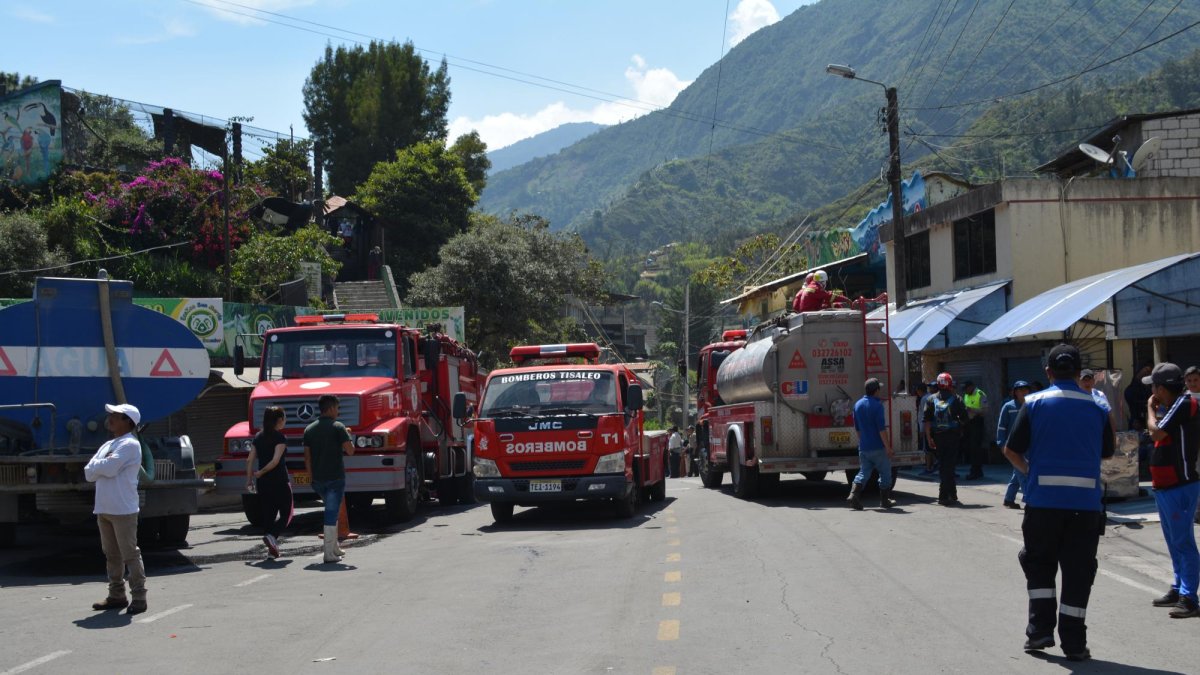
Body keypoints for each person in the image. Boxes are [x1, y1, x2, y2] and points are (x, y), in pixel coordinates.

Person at [1002, 344, 1114, 662]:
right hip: (1085, 507)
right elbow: (1107, 451)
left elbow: (1011, 449)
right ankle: (1075, 644)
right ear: (1080, 374)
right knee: (1078, 573)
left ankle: (1039, 632)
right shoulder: (1097, 407)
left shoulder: (1034, 403)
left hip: (1043, 504)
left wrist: (1031, 472)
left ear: (1048, 372)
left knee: (1039, 567)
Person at [1143, 363, 1200, 618]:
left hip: (1180, 484)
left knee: (1183, 541)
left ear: (1161, 387)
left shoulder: (1184, 404)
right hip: (1166, 485)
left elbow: (1155, 433)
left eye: (1153, 386)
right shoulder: (1175, 406)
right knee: (1173, 540)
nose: (1152, 391)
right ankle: (1179, 588)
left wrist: (1149, 409)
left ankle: (1189, 597)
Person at [84, 403, 148, 615]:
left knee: (130, 553)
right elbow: (88, 472)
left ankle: (139, 597)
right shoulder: (108, 445)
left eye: (116, 415)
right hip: (104, 508)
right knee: (111, 554)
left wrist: (99, 466)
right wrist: (100, 466)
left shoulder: (130, 444)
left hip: (123, 510)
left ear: (128, 421)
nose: (110, 418)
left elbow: (109, 469)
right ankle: (117, 595)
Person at [303, 394, 355, 563]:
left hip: (317, 480)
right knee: (331, 513)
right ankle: (328, 553)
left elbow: (307, 458)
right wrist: (348, 435)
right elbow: (350, 451)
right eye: (337, 408)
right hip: (335, 478)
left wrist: (311, 477)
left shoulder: (309, 429)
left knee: (332, 509)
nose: (338, 412)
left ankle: (334, 548)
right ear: (331, 408)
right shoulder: (338, 427)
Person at [246, 405, 292, 559]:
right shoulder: (280, 438)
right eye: (284, 418)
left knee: (269, 515)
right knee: (287, 513)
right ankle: (272, 536)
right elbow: (275, 461)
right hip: (279, 480)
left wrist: (250, 479)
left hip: (263, 483)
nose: (285, 421)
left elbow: (249, 460)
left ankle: (272, 549)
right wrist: (261, 472)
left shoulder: (258, 437)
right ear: (279, 420)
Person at [849, 378, 894, 510]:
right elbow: (881, 429)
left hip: (864, 447)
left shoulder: (857, 405)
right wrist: (888, 448)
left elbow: (857, 429)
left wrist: (862, 442)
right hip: (878, 447)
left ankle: (853, 495)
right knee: (885, 474)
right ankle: (884, 501)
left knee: (863, 473)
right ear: (876, 390)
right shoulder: (877, 405)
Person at [925, 372, 969, 506]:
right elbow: (965, 419)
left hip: (937, 436)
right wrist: (959, 426)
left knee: (944, 464)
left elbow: (926, 421)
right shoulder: (957, 399)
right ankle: (943, 495)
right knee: (949, 466)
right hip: (952, 436)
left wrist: (929, 438)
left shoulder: (931, 399)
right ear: (950, 383)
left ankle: (952, 492)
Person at [997, 381, 1032, 509]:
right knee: (1023, 473)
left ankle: (1009, 499)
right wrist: (1001, 444)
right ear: (1015, 392)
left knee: (1018, 473)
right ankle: (1029, 500)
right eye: (1020, 390)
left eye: (1026, 389)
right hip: (1012, 447)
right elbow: (1001, 427)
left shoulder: (1031, 405)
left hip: (1028, 446)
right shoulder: (1008, 407)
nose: (1023, 392)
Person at [962, 380, 989, 480]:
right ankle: (977, 471)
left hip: (977, 423)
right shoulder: (966, 395)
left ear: (972, 386)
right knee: (970, 448)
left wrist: (971, 409)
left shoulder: (980, 394)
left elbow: (985, 410)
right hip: (968, 424)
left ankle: (975, 471)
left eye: (967, 388)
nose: (965, 391)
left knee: (975, 449)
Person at [1124, 363, 1154, 430]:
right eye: (1146, 370)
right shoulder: (1130, 390)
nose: (1146, 372)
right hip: (1136, 420)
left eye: (1149, 372)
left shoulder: (1148, 388)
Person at [918, 380, 939, 475]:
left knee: (927, 449)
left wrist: (922, 429)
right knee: (932, 448)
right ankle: (934, 464)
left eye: (932, 387)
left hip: (928, 427)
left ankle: (928, 468)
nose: (930, 388)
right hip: (935, 427)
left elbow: (923, 415)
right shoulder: (937, 398)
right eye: (929, 386)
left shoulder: (926, 399)